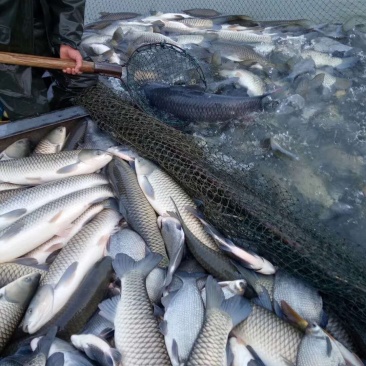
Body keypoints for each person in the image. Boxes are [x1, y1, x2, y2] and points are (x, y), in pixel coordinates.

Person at [0, 0, 97, 121]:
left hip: (48, 32)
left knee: (84, 81)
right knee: (33, 118)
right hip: (5, 48)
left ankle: (60, 116)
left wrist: (67, 40)